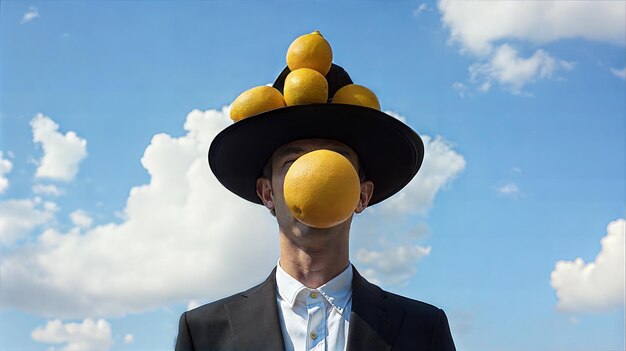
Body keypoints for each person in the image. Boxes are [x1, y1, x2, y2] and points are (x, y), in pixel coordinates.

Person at [175, 63, 456, 350]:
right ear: (267, 193)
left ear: (362, 195)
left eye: (336, 160)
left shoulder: (422, 329)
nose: (315, 173)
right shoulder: (204, 334)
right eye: (292, 162)